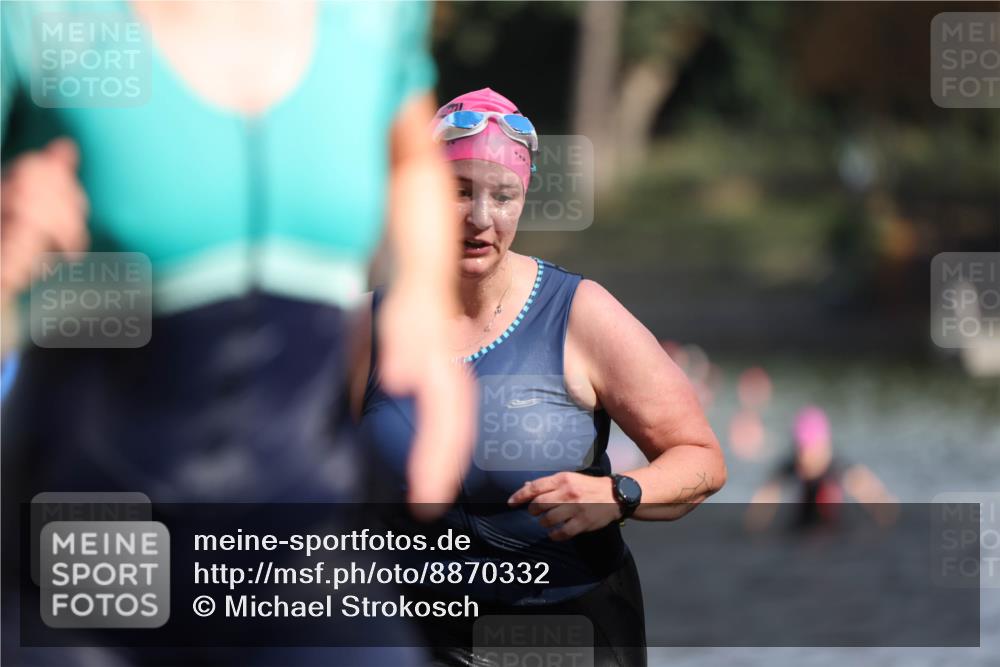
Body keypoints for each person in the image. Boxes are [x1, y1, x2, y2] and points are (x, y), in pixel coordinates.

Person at [1, 1, 474, 664]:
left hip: (299, 552)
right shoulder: (39, 18)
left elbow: (410, 158)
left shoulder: (376, 16)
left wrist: (425, 291)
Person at [351, 88, 728, 667]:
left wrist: (619, 493)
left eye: (503, 196)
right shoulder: (367, 328)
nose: (481, 218)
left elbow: (700, 459)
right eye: (458, 192)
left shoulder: (581, 315)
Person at [746, 406, 897, 531]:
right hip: (802, 526)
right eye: (802, 452)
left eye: (812, 451)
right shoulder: (791, 466)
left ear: (825, 448)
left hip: (835, 530)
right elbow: (766, 496)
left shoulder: (838, 467)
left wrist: (883, 510)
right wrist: (755, 524)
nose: (807, 460)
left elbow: (871, 491)